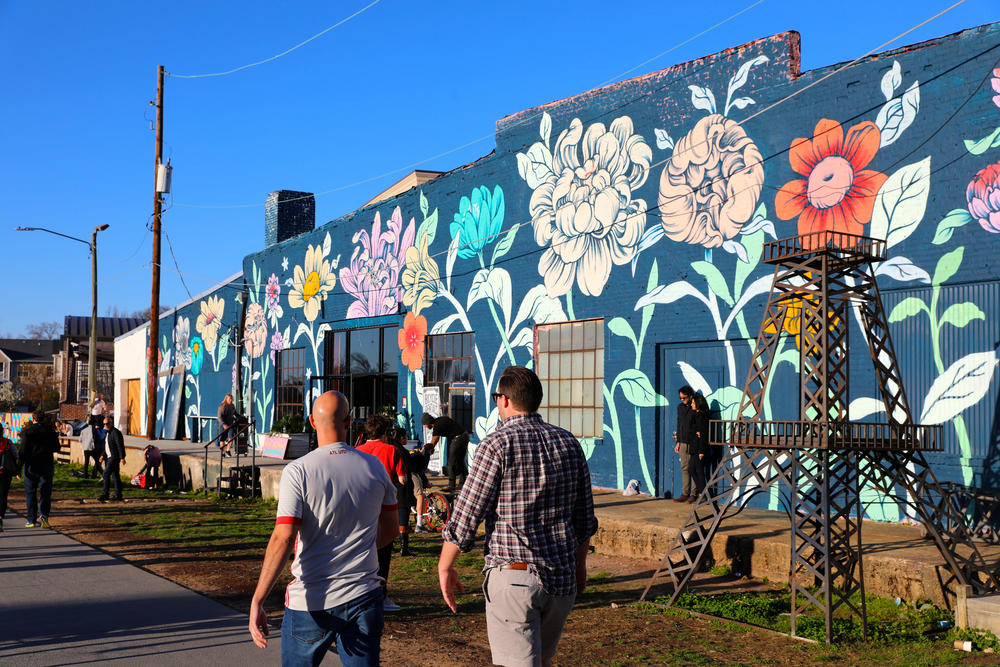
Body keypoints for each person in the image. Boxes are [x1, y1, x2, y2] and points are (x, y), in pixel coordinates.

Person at [438, 366, 598, 667]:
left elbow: (468, 513)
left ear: (504, 400)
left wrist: (445, 565)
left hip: (514, 575)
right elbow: (584, 519)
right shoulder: (569, 443)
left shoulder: (496, 444)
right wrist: (580, 566)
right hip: (561, 578)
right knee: (544, 659)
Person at [249, 391, 399, 665]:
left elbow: (283, 538)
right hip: (363, 595)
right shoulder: (375, 467)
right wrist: (359, 546)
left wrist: (258, 599)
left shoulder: (299, 471)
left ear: (311, 422)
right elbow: (391, 531)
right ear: (349, 422)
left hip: (310, 601)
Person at [356, 414, 408, 613]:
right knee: (383, 554)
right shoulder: (392, 451)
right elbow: (402, 479)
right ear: (387, 432)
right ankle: (382, 596)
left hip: (362, 509)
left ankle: (361, 594)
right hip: (385, 508)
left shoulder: (357, 451)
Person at [18, 411, 61, 529]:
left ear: (33, 419)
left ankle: (31, 519)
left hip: (31, 465)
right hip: (46, 465)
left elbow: (22, 451)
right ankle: (44, 515)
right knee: (45, 493)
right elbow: (57, 447)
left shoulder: (28, 433)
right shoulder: (50, 432)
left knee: (31, 492)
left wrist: (18, 468)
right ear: (44, 419)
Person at [421, 412, 469, 492]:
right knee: (460, 461)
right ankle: (462, 484)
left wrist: (430, 448)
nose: (425, 426)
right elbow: (436, 439)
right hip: (464, 436)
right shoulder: (439, 420)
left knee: (451, 462)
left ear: (428, 422)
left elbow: (435, 439)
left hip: (459, 438)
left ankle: (451, 485)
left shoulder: (437, 425)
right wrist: (432, 447)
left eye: (425, 425)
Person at [673, 385, 696, 503]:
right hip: (682, 442)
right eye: (681, 398)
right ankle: (685, 493)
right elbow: (679, 423)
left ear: (690, 396)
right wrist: (678, 442)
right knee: (684, 468)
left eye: (684, 398)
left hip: (693, 442)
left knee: (694, 468)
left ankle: (693, 494)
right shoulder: (680, 408)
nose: (682, 400)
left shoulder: (695, 406)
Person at [98, 415, 126, 502]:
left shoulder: (115, 432)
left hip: (114, 457)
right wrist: (103, 455)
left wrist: (122, 457)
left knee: (106, 474)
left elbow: (119, 445)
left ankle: (105, 494)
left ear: (111, 423)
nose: (106, 425)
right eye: (104, 424)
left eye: (107, 423)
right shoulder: (108, 433)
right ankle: (118, 495)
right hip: (109, 457)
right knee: (115, 476)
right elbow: (107, 446)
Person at [689, 394, 711, 500]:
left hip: (699, 448)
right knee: (691, 469)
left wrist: (702, 451)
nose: (691, 404)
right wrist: (695, 432)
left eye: (693, 402)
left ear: (698, 403)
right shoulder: (694, 415)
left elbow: (704, 435)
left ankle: (703, 494)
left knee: (699, 470)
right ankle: (703, 492)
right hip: (693, 447)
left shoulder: (702, 416)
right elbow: (692, 430)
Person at [0, 423, 20, 533]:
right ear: (2, 431)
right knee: (3, 496)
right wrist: (17, 470)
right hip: (5, 473)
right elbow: (16, 456)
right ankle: (0, 517)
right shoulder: (8, 442)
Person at [79, 415, 104, 479]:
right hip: (92, 448)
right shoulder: (94, 430)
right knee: (97, 461)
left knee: (86, 462)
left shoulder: (83, 430)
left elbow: (80, 440)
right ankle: (103, 474)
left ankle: (85, 475)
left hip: (85, 448)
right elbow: (101, 437)